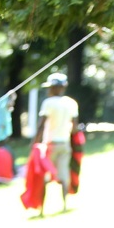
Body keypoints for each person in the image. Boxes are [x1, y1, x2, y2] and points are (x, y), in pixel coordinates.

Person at [34, 72, 79, 211]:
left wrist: (34, 142)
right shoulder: (71, 103)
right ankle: (64, 206)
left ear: (56, 88)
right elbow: (75, 127)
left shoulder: (48, 103)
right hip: (65, 144)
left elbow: (42, 124)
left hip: (50, 145)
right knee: (64, 175)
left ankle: (42, 209)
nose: (49, 90)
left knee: (45, 176)